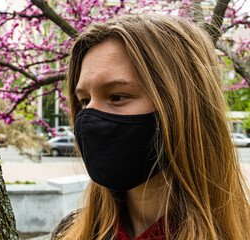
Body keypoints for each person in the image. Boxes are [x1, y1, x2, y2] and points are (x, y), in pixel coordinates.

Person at [51, 14, 250, 240]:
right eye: (84, 101)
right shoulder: (69, 232)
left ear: (182, 106)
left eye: (117, 96)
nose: (88, 116)